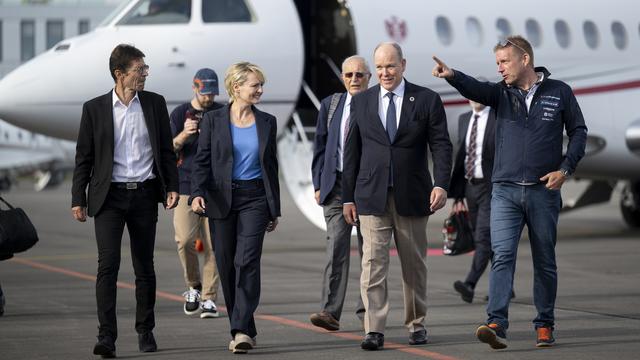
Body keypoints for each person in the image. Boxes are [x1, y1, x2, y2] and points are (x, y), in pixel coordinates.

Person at [432, 35, 588, 349]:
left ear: (524, 59)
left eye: (504, 62)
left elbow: (578, 131)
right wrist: (453, 76)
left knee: (545, 260)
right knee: (502, 256)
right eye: (497, 63)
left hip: (543, 192)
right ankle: (496, 323)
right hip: (503, 191)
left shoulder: (559, 92)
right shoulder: (501, 94)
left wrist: (565, 169)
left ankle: (544, 325)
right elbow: (477, 89)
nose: (500, 69)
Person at [343, 42, 453, 350]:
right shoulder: (362, 102)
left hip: (413, 195)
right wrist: (347, 197)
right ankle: (374, 329)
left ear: (403, 64)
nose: (384, 73)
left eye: (390, 66)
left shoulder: (427, 99)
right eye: (379, 67)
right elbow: (351, 152)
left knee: (413, 265)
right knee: (372, 264)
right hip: (371, 196)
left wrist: (441, 184)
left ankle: (416, 323)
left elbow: (442, 146)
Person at [71, 44, 179, 358]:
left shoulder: (155, 103)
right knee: (108, 266)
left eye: (145, 69)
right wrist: (78, 197)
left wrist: (172, 186)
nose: (145, 74)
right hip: (109, 197)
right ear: (120, 74)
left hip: (145, 194)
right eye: (139, 69)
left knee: (144, 267)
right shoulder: (94, 109)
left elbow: (166, 152)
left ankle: (145, 331)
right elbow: (84, 158)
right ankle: (107, 338)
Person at [191, 62, 280, 354]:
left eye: (260, 85)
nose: (260, 90)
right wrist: (196, 194)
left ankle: (240, 330)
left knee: (247, 261)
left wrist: (273, 208)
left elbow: (271, 166)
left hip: (255, 198)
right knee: (227, 264)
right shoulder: (214, 120)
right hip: (221, 200)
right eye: (255, 85)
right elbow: (201, 161)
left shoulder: (267, 121)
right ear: (237, 87)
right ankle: (245, 325)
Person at [309, 55, 371, 331]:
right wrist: (318, 183)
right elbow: (320, 146)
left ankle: (368, 313)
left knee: (370, 255)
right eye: (349, 75)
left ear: (369, 77)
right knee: (336, 248)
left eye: (359, 75)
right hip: (334, 187)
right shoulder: (330, 105)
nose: (354, 80)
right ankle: (329, 311)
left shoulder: (376, 105)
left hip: (367, 188)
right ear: (342, 78)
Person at [170, 68, 223, 318]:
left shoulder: (221, 112)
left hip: (215, 188)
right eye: (205, 94)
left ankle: (210, 297)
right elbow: (166, 150)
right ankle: (193, 286)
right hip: (186, 185)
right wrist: (184, 134)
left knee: (215, 245)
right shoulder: (180, 113)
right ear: (195, 87)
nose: (209, 98)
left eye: (212, 94)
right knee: (184, 240)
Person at [449, 99, 496, 303]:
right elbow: (461, 156)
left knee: (483, 237)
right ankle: (506, 285)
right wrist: (458, 193)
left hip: (490, 186)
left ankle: (470, 283)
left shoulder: (496, 118)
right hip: (470, 186)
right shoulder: (464, 119)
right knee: (484, 237)